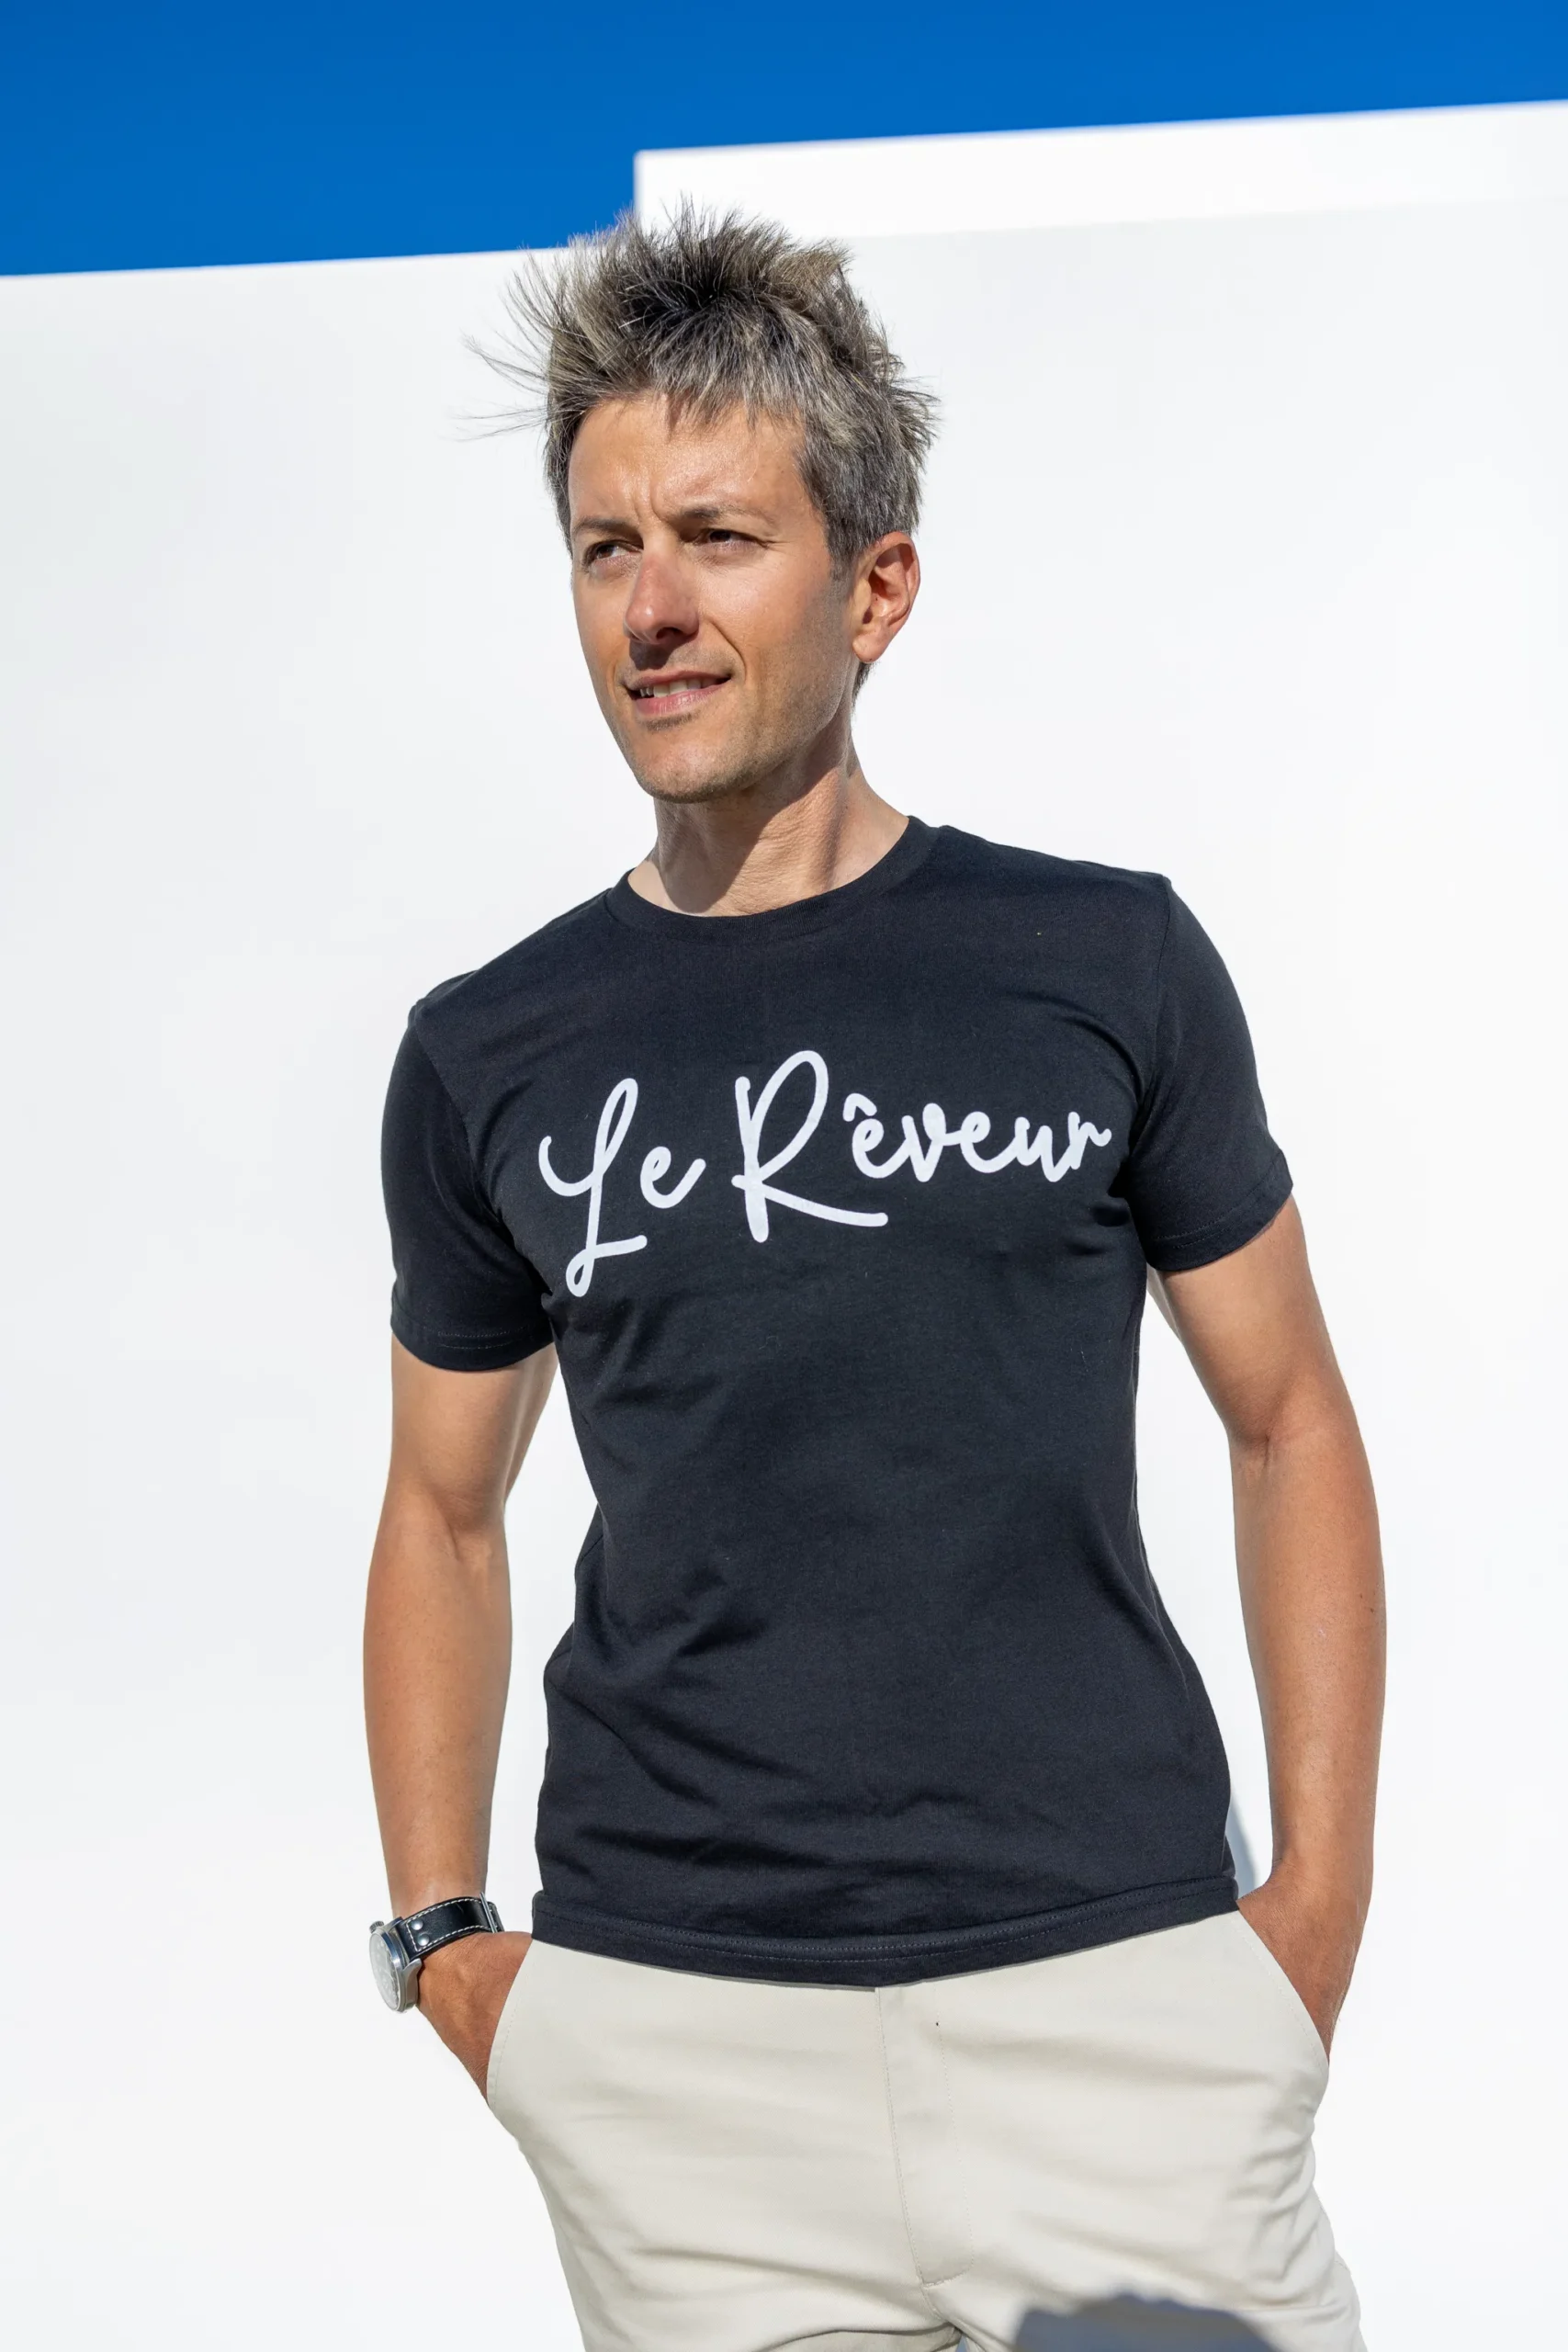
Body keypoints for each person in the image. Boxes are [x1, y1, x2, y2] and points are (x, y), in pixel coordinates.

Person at [365, 211, 1383, 2352]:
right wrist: (451, 1944)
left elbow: (1286, 1415)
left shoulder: (1103, 965)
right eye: (604, 546)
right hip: (678, 2062)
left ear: (875, 583)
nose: (652, 608)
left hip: (1115, 2006)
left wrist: (1307, 1916)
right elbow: (442, 1510)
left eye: (719, 538)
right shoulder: (488, 1051)